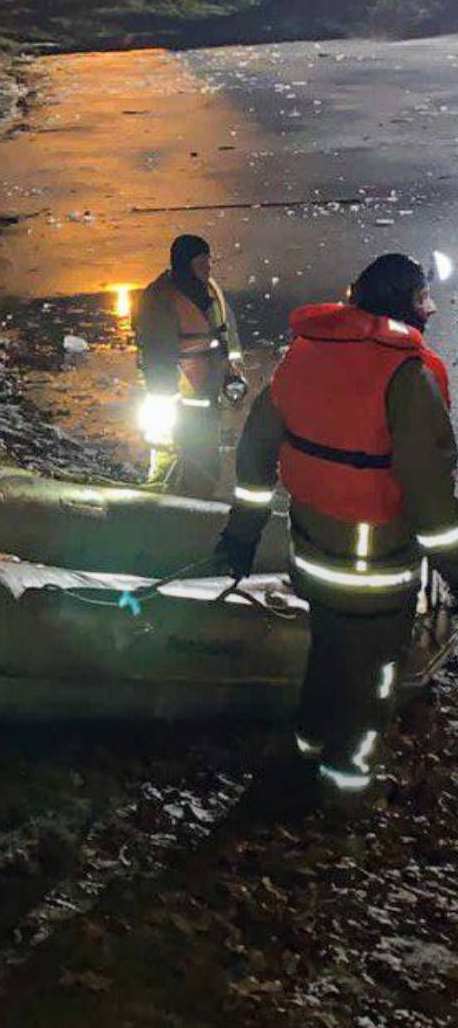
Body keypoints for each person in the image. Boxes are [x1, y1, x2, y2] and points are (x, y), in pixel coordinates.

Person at [216, 253, 458, 813]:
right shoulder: (409, 375)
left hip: (313, 556)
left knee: (327, 656)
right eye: (423, 299)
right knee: (373, 680)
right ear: (403, 305)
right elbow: (431, 500)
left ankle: (307, 751)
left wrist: (242, 536)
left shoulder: (303, 355)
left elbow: (255, 452)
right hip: (375, 572)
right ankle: (348, 793)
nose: (430, 309)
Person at [132, 234, 247, 497]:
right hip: (181, 400)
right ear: (184, 265)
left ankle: (199, 499)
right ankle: (168, 501)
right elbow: (157, 357)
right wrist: (168, 406)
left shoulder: (211, 292)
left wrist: (234, 375)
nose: (208, 269)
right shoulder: (159, 300)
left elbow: (228, 335)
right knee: (174, 457)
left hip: (208, 394)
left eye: (209, 262)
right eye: (201, 263)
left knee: (206, 458)